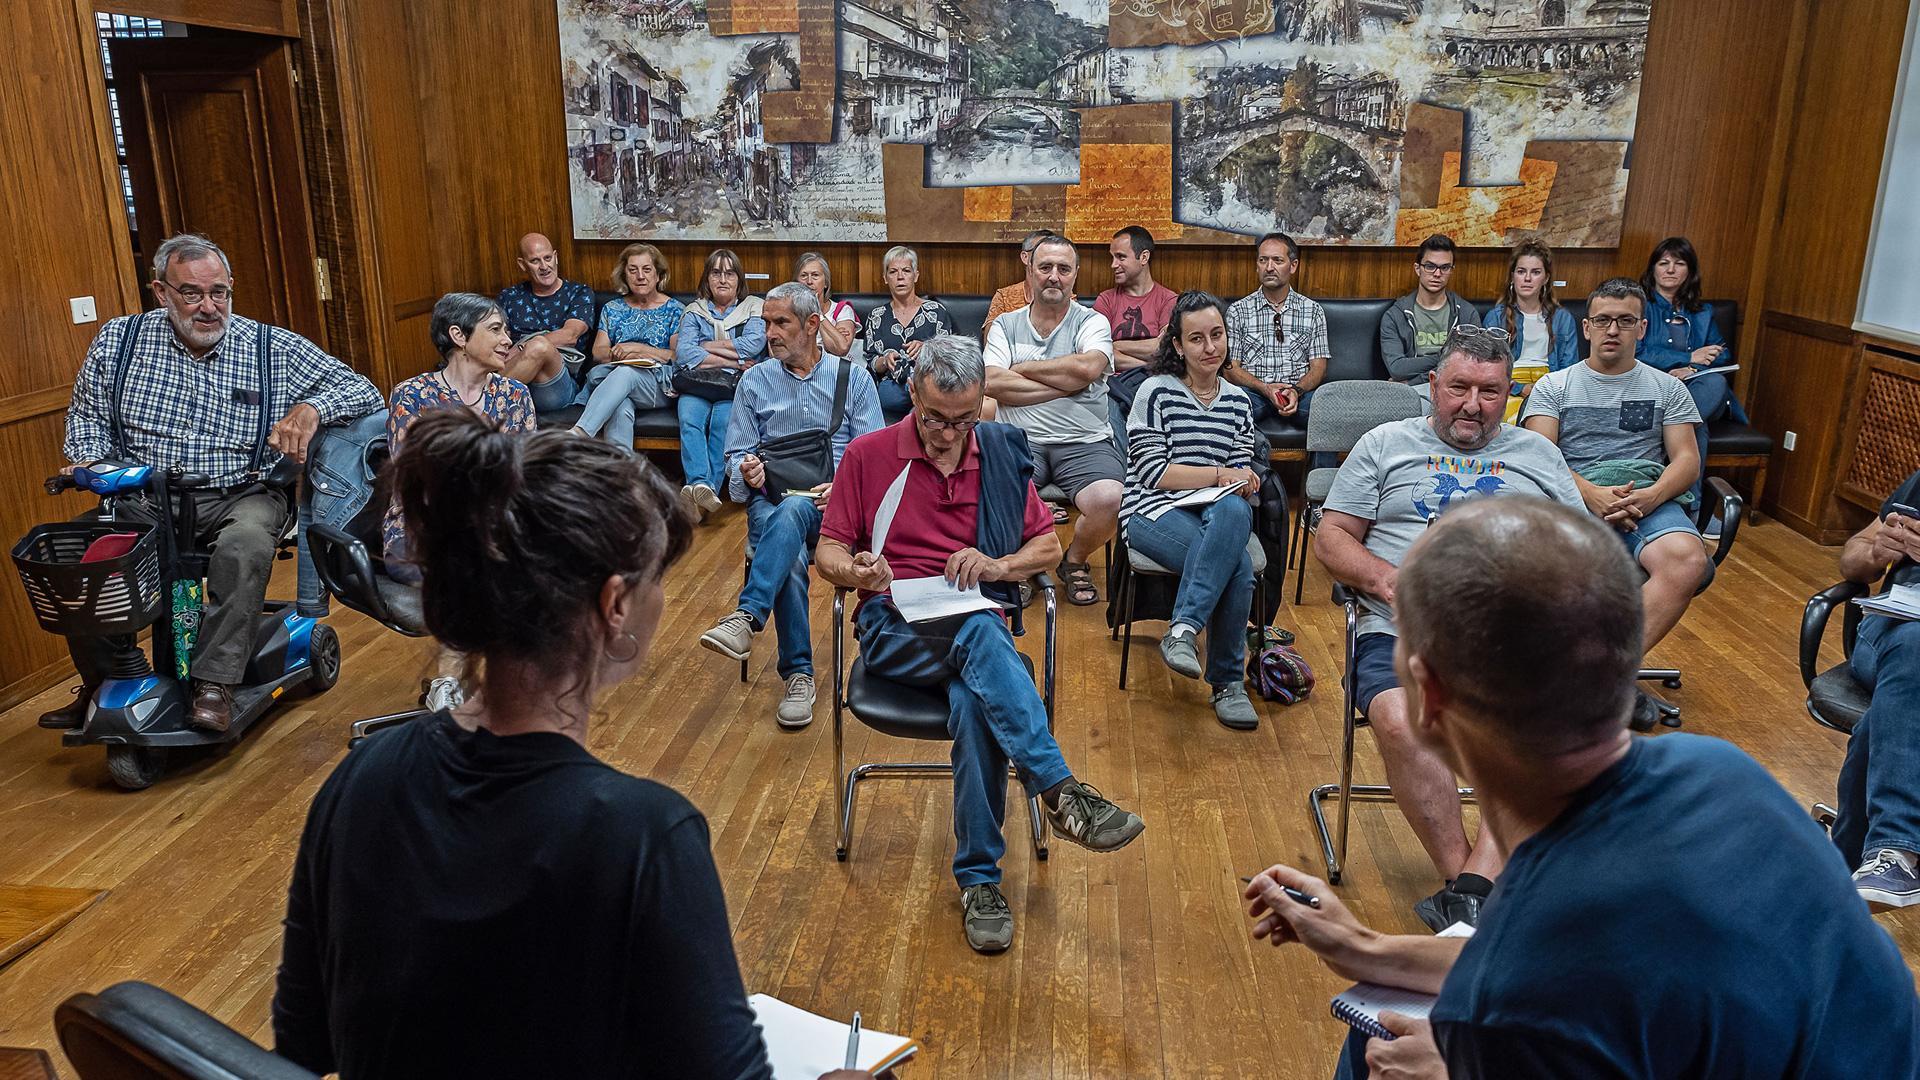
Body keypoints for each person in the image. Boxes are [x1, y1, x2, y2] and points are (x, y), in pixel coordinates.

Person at [270, 408, 871, 1080]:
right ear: (615, 605)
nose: (662, 600)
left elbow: (300, 1047)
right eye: (656, 579)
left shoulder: (361, 779)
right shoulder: (643, 836)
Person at [1246, 497, 1920, 1080]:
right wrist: (1363, 948)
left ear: (1429, 695)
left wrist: (1465, 1068)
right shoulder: (1718, 769)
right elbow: (1581, 967)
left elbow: (1557, 973)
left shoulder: (1553, 936)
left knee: (1375, 1043)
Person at [815, 334, 1145, 954]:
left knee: (976, 699)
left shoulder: (995, 454)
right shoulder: (869, 455)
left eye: (964, 420)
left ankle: (979, 881)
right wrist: (856, 570)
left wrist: (997, 566)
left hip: (974, 625)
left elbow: (1046, 548)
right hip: (894, 627)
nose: (948, 435)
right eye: (935, 419)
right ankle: (1058, 791)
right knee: (982, 631)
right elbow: (828, 550)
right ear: (913, 395)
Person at [51, 233, 382, 735]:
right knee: (78, 557)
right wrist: (90, 461)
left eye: (219, 292)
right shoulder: (120, 340)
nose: (209, 307)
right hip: (143, 498)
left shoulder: (271, 347)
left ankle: (215, 682)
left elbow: (363, 390)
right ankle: (107, 680)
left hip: (242, 493)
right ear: (161, 292)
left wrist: (312, 408)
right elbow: (87, 415)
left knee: (245, 545)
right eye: (191, 293)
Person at [1315, 327, 1582, 930]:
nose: (1472, 405)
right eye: (1459, 388)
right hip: (1400, 629)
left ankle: (1469, 898)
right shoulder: (1385, 443)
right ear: (1432, 385)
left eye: (1490, 393)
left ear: (1509, 395)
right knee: (1397, 718)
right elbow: (1331, 538)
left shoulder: (1538, 455)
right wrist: (1387, 580)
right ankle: (1469, 885)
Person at [700, 283, 883, 729]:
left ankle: (748, 617)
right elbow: (735, 458)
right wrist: (746, 470)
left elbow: (876, 463)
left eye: (781, 323)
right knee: (791, 539)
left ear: (813, 324)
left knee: (795, 518)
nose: (770, 333)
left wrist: (844, 488)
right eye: (766, 323)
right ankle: (799, 676)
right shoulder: (754, 380)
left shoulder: (853, 379)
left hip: (835, 510)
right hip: (772, 501)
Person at [1522, 278, 1709, 678]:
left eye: (1625, 321)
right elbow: (1540, 459)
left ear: (1642, 328)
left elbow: (1687, 461)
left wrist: (1651, 496)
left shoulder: (1668, 389)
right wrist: (1591, 494)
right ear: (1586, 327)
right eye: (1602, 320)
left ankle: (1604, 674)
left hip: (1645, 501)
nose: (1612, 330)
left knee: (1688, 560)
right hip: (1572, 499)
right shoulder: (1553, 387)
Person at [381, 292, 539, 712]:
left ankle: (453, 684)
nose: (508, 339)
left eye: (506, 330)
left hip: (494, 524)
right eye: (496, 330)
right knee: (473, 560)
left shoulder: (514, 395)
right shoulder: (413, 395)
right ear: (458, 336)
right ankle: (461, 683)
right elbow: (415, 479)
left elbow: (524, 476)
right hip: (421, 527)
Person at [1122, 292, 1261, 730]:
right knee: (1237, 567)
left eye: (1217, 335)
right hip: (1151, 512)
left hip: (1213, 514)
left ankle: (1182, 630)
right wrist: (1220, 474)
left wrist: (1240, 479)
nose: (1210, 347)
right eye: (1197, 339)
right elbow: (1155, 473)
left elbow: (1235, 478)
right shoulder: (1155, 391)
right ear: (1178, 346)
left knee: (1236, 511)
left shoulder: (1238, 402)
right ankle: (1228, 683)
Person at [982, 235, 1121, 606]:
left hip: (1085, 440)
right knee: (996, 491)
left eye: (1063, 268)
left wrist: (1021, 368)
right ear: (1030, 271)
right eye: (1045, 267)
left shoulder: (1092, 322)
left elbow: (1088, 367)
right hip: (1020, 439)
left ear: (1076, 274)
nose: (1054, 276)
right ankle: (1020, 565)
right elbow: (992, 381)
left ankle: (1073, 560)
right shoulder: (1006, 325)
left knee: (1110, 499)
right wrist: (1067, 385)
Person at [1832, 466, 1920, 908]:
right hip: (1895, 629)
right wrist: (1875, 549)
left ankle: (1847, 864)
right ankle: (1895, 848)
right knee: (1916, 647)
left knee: (1882, 719)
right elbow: (1852, 560)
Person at [1639, 236, 1742, 509]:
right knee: (1696, 426)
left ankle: (1664, 432)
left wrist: (1692, 368)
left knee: (1715, 383)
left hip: (1698, 389)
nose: (1670, 269)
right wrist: (1687, 356)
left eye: (1679, 263)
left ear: (1690, 271)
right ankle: (1690, 507)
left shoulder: (1702, 312)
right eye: (1663, 263)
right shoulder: (1640, 306)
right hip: (1656, 390)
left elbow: (1722, 353)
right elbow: (1637, 352)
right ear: (1653, 269)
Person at [675, 248, 766, 522]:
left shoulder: (753, 307)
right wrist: (735, 361)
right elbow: (684, 353)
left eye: (729, 273)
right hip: (697, 384)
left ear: (739, 279)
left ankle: (706, 493)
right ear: (707, 278)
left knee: (722, 425)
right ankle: (699, 484)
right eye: (716, 273)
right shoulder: (695, 311)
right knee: (690, 421)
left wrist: (705, 346)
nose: (723, 279)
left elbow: (753, 344)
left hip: (734, 386)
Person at [571, 243, 682, 451]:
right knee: (619, 405)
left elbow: (677, 356)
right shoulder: (612, 309)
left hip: (658, 385)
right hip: (615, 381)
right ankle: (621, 468)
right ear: (625, 275)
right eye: (633, 270)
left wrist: (638, 349)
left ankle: (580, 433)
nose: (640, 276)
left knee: (626, 374)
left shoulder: (675, 310)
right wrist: (621, 355)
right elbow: (598, 353)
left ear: (658, 275)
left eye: (646, 269)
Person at [1223, 231, 1329, 424]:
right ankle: (1254, 444)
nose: (1269, 267)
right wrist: (1265, 388)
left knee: (1328, 409)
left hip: (1299, 394)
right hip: (1255, 393)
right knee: (1232, 407)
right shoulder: (1238, 311)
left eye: (1277, 260)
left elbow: (1319, 368)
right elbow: (1231, 369)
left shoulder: (1313, 310)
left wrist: (1295, 391)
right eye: (1263, 260)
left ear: (1293, 265)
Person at [494, 231, 590, 415]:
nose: (544, 266)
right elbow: (494, 337)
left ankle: (482, 402)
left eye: (547, 258)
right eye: (535, 261)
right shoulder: (509, 296)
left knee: (540, 346)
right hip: (515, 374)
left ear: (556, 257)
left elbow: (569, 336)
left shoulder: (578, 293)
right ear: (522, 264)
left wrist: (521, 348)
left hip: (557, 384)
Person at [1380, 234, 1478, 410]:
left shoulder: (1466, 314)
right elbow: (1397, 368)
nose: (1437, 274)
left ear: (1451, 270)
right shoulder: (1395, 315)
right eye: (1430, 266)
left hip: (1455, 390)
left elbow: (1471, 365)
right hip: (1413, 394)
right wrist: (1449, 356)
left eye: (1444, 267)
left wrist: (1414, 380)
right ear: (1418, 269)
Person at [1482, 237, 1578, 411]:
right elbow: (1488, 367)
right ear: (1513, 276)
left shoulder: (1563, 318)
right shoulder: (1496, 317)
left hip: (1550, 384)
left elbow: (1569, 369)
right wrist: (1519, 388)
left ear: (1546, 278)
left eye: (1535, 272)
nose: (1527, 278)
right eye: (1521, 271)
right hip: (1509, 386)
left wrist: (1547, 390)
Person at [860, 245, 956, 419]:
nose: (900, 277)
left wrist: (926, 349)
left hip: (928, 382)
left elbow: (948, 355)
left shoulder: (935, 312)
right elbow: (871, 362)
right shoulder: (876, 316)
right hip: (892, 388)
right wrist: (885, 360)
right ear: (885, 278)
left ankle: (918, 415)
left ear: (915, 276)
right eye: (893, 272)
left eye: (906, 271)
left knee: (932, 391)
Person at [1094, 226, 1179, 374]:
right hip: (1114, 383)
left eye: (1121, 257)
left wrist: (1116, 346)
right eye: (1112, 258)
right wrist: (1149, 367)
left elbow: (1165, 348)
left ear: (1144, 257)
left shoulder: (1168, 300)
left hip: (1155, 382)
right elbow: (1097, 352)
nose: (1113, 265)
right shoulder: (1106, 300)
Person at [982, 229, 1055, 333]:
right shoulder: (1004, 296)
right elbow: (991, 338)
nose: (1048, 257)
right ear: (1025, 257)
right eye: (1040, 250)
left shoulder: (1063, 296)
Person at [795, 251, 858, 358]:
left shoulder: (842, 310)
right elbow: (779, 351)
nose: (809, 281)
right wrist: (833, 335)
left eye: (815, 275)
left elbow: (841, 348)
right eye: (804, 276)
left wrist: (817, 312)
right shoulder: (789, 310)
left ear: (826, 283)